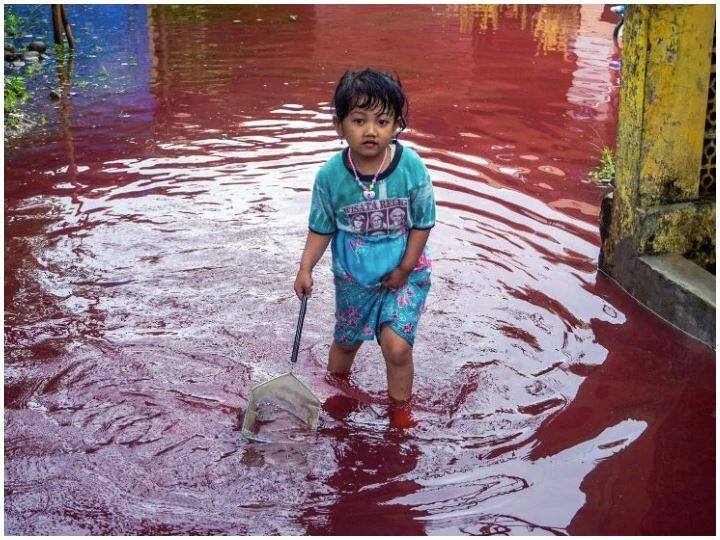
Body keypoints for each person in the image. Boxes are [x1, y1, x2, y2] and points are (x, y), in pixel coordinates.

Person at [293, 68, 436, 427]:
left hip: (404, 275)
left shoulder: (410, 167)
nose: (371, 131)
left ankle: (400, 412)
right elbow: (321, 227)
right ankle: (335, 393)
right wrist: (305, 268)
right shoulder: (330, 176)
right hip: (354, 280)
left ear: (397, 125)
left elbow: (423, 221)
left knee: (398, 347)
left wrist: (405, 269)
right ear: (340, 126)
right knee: (345, 344)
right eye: (358, 120)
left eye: (382, 120)